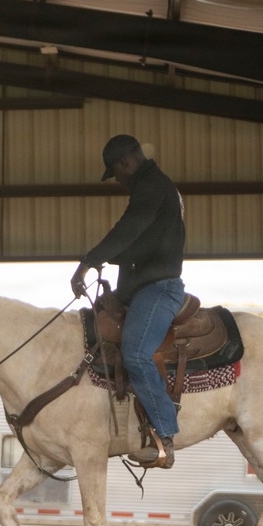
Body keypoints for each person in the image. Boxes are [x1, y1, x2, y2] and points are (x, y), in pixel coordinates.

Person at [70, 134, 186, 468]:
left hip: (158, 288)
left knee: (135, 352)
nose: (119, 181)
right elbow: (140, 243)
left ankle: (164, 438)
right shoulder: (156, 188)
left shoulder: (151, 186)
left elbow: (129, 229)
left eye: (117, 174)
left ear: (124, 163)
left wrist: (90, 261)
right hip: (138, 287)